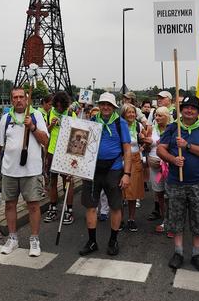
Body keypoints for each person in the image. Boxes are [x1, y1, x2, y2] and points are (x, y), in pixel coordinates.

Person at [157, 95, 199, 272]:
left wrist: (187, 145)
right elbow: (160, 149)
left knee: (198, 219)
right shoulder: (173, 127)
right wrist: (173, 159)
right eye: (186, 107)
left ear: (198, 111)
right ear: (181, 110)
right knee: (176, 218)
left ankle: (197, 254)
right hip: (176, 183)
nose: (189, 110)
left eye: (193, 108)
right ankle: (178, 252)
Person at [0, 87, 49, 256]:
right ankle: (13, 238)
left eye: (21, 97)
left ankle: (35, 240)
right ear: (11, 100)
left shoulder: (36, 115)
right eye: (15, 97)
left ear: (27, 98)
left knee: (33, 205)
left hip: (32, 170)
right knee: (10, 204)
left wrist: (33, 127)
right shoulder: (6, 118)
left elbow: (45, 140)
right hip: (9, 170)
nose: (18, 100)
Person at [79, 92, 132, 257]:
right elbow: (81, 145)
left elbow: (127, 150)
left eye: (108, 104)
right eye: (102, 104)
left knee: (115, 206)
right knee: (91, 206)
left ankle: (113, 240)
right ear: (99, 105)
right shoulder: (93, 122)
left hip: (114, 169)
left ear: (114, 107)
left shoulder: (120, 123)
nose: (105, 107)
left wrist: (127, 174)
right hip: (93, 169)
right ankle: (92, 240)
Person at [44, 92, 77, 225]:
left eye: (60, 107)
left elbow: (76, 134)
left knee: (67, 181)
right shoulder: (49, 113)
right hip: (52, 151)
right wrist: (51, 125)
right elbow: (45, 132)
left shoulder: (70, 114)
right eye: (56, 106)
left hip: (66, 153)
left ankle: (68, 210)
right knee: (53, 180)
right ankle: (52, 207)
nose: (58, 108)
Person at [147, 106, 171, 235]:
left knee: (169, 195)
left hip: (168, 167)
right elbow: (145, 144)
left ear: (167, 117)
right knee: (159, 193)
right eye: (156, 115)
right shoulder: (151, 128)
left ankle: (170, 220)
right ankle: (164, 218)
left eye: (160, 115)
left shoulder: (172, 129)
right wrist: (145, 140)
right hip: (155, 167)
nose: (157, 118)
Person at [122, 103, 145, 232]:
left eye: (133, 112)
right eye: (128, 112)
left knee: (133, 191)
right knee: (119, 191)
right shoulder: (119, 125)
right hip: (121, 158)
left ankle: (131, 219)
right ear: (123, 114)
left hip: (135, 158)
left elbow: (147, 140)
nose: (131, 115)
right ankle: (119, 219)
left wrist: (143, 144)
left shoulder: (138, 125)